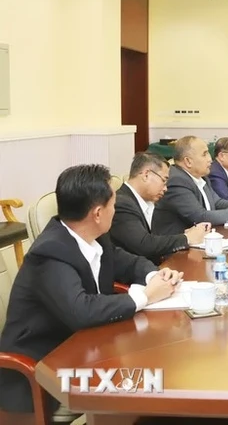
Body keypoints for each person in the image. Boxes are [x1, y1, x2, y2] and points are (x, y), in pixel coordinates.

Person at [0, 165, 180, 416]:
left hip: (87, 347)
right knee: (151, 383)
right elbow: (81, 309)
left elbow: (124, 260)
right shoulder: (50, 253)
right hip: (43, 369)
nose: (115, 212)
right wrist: (146, 295)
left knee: (156, 373)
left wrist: (154, 275)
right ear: (97, 213)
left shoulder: (92, 235)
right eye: (113, 205)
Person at [111, 152, 208, 264]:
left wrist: (186, 234)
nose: (165, 188)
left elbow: (156, 238)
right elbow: (144, 244)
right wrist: (186, 238)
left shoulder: (146, 201)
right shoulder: (122, 203)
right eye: (164, 180)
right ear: (146, 175)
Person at [152, 136, 228, 236]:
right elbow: (199, 217)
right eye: (204, 154)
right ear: (188, 161)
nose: (210, 159)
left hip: (203, 238)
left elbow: (217, 202)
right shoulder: (177, 180)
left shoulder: (202, 177)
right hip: (177, 246)